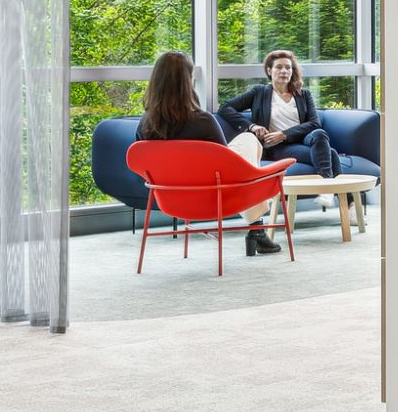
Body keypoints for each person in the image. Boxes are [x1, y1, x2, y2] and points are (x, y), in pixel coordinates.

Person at [137, 51, 283, 257]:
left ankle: (257, 229)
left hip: (170, 198)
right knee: (249, 140)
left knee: (245, 146)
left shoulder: (144, 125)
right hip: (213, 196)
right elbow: (227, 166)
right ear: (188, 81)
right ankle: (256, 228)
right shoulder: (202, 121)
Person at [220, 48, 340, 180]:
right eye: (279, 67)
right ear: (269, 71)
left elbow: (314, 123)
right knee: (332, 154)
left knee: (319, 133)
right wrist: (252, 126)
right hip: (275, 147)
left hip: (302, 140)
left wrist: (284, 134)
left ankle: (325, 186)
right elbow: (225, 107)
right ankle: (335, 190)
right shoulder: (259, 92)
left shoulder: (303, 94)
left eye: (288, 67)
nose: (284, 71)